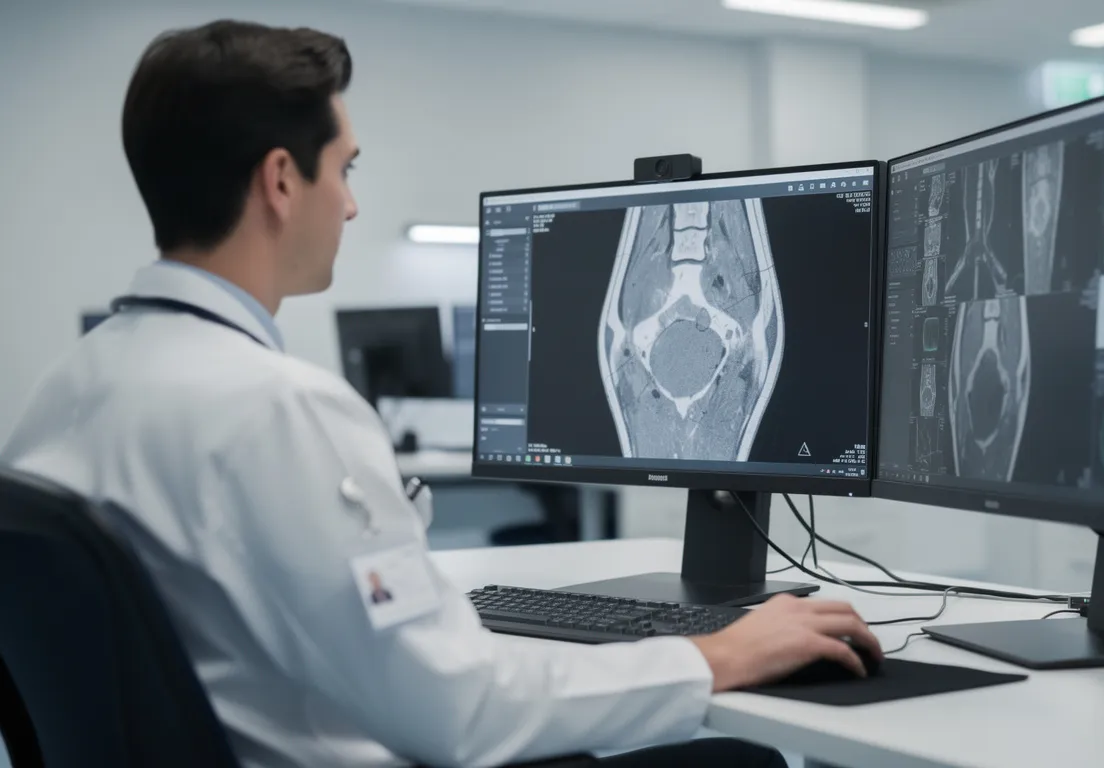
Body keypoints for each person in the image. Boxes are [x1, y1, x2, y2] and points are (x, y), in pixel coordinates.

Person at [0, 20, 881, 768]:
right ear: (279, 181)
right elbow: (464, 714)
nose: (348, 205)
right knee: (736, 757)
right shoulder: (278, 409)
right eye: (343, 168)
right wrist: (713, 657)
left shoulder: (65, 391)